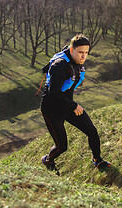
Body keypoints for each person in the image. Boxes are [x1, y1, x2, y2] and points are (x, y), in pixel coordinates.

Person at [40, 34, 111, 174]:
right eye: (80, 52)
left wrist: (71, 105)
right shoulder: (59, 65)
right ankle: (48, 160)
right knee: (62, 147)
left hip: (66, 104)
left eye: (86, 53)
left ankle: (97, 160)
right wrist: (74, 106)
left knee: (92, 131)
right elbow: (53, 93)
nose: (83, 56)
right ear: (71, 50)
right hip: (52, 108)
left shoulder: (76, 62)